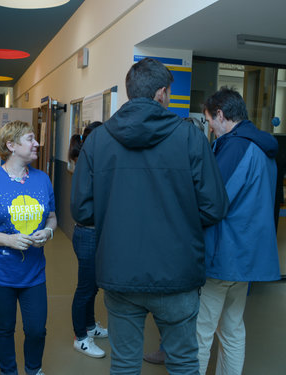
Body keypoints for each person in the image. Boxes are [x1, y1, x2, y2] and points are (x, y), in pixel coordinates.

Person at [71, 57, 229, 374]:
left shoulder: (98, 141)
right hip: (178, 273)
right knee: (184, 361)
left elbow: (82, 209)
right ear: (160, 93)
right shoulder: (190, 138)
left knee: (125, 362)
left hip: (119, 272)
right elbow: (214, 206)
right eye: (169, 92)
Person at [197, 87, 280, 375]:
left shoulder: (235, 147)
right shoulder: (263, 147)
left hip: (222, 256)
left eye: (210, 122)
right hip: (247, 257)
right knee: (232, 328)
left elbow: (214, 203)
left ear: (220, 115)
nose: (211, 129)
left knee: (201, 330)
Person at [0, 120, 57, 375]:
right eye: (30, 138)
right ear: (11, 145)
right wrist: (9, 240)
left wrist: (48, 232)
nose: (36, 143)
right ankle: (9, 371)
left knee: (36, 328)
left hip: (34, 271)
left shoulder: (42, 180)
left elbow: (52, 217)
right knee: (5, 327)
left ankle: (34, 369)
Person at [142, 115, 208, 367]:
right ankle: (168, 349)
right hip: (172, 247)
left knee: (185, 313)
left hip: (186, 248)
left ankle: (174, 352)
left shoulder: (199, 161)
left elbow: (210, 205)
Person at [68, 121, 108, 359]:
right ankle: (80, 338)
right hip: (87, 234)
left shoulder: (91, 162)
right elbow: (83, 208)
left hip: (93, 234)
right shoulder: (87, 164)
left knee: (92, 287)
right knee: (85, 289)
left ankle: (91, 326)